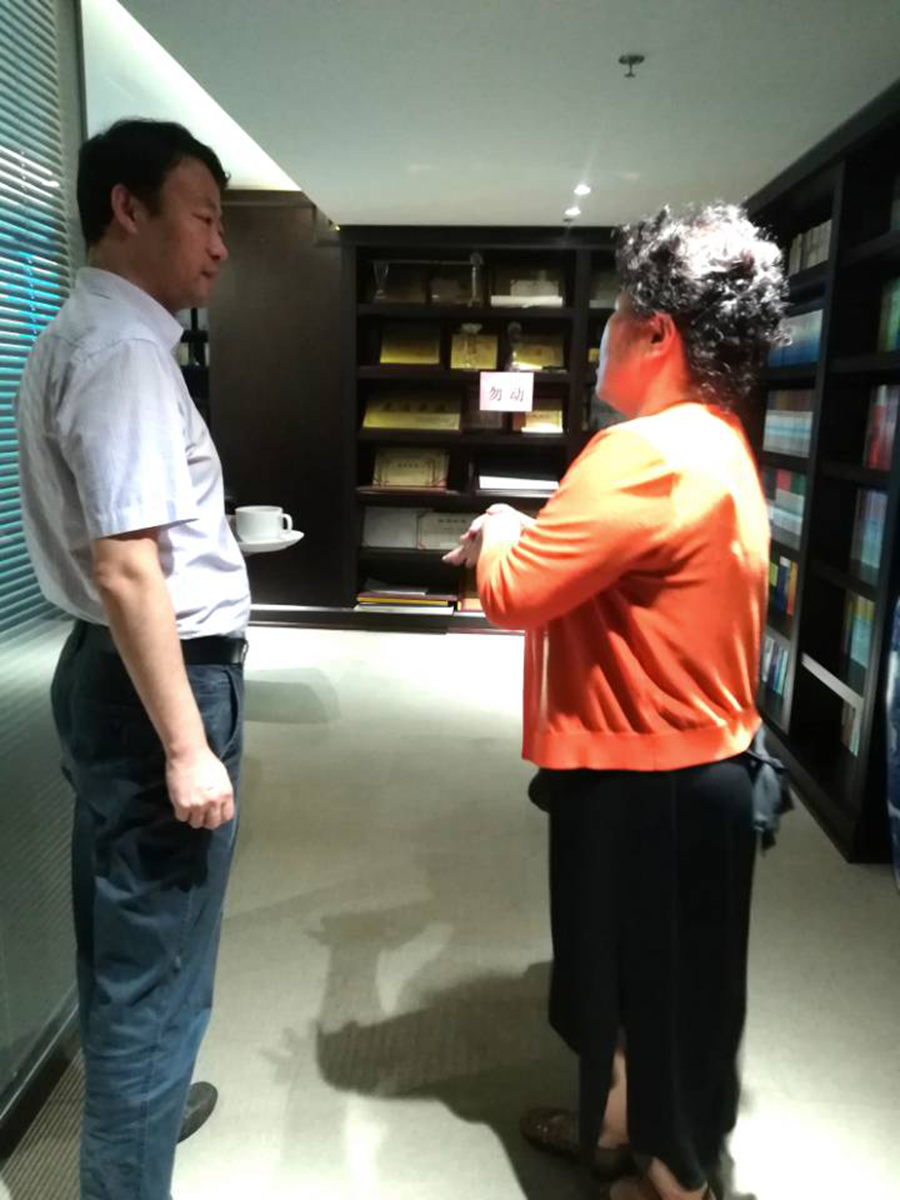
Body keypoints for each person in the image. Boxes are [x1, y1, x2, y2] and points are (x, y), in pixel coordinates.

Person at [445, 204, 787, 1200]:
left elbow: (516, 595)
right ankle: (614, 1130)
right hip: (699, 766)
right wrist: (528, 528)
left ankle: (671, 1183)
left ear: (657, 333)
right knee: (663, 987)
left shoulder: (639, 453)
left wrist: (500, 531)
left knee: (651, 994)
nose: (604, 333)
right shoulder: (718, 442)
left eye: (618, 310)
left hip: (646, 781)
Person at [15, 119, 249, 1200]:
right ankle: (132, 1145)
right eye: (204, 217)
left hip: (114, 673)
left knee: (131, 937)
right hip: (157, 680)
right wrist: (188, 747)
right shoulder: (122, 355)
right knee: (156, 968)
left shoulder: (88, 335)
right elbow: (126, 569)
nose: (220, 245)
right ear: (127, 209)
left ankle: (144, 1109)